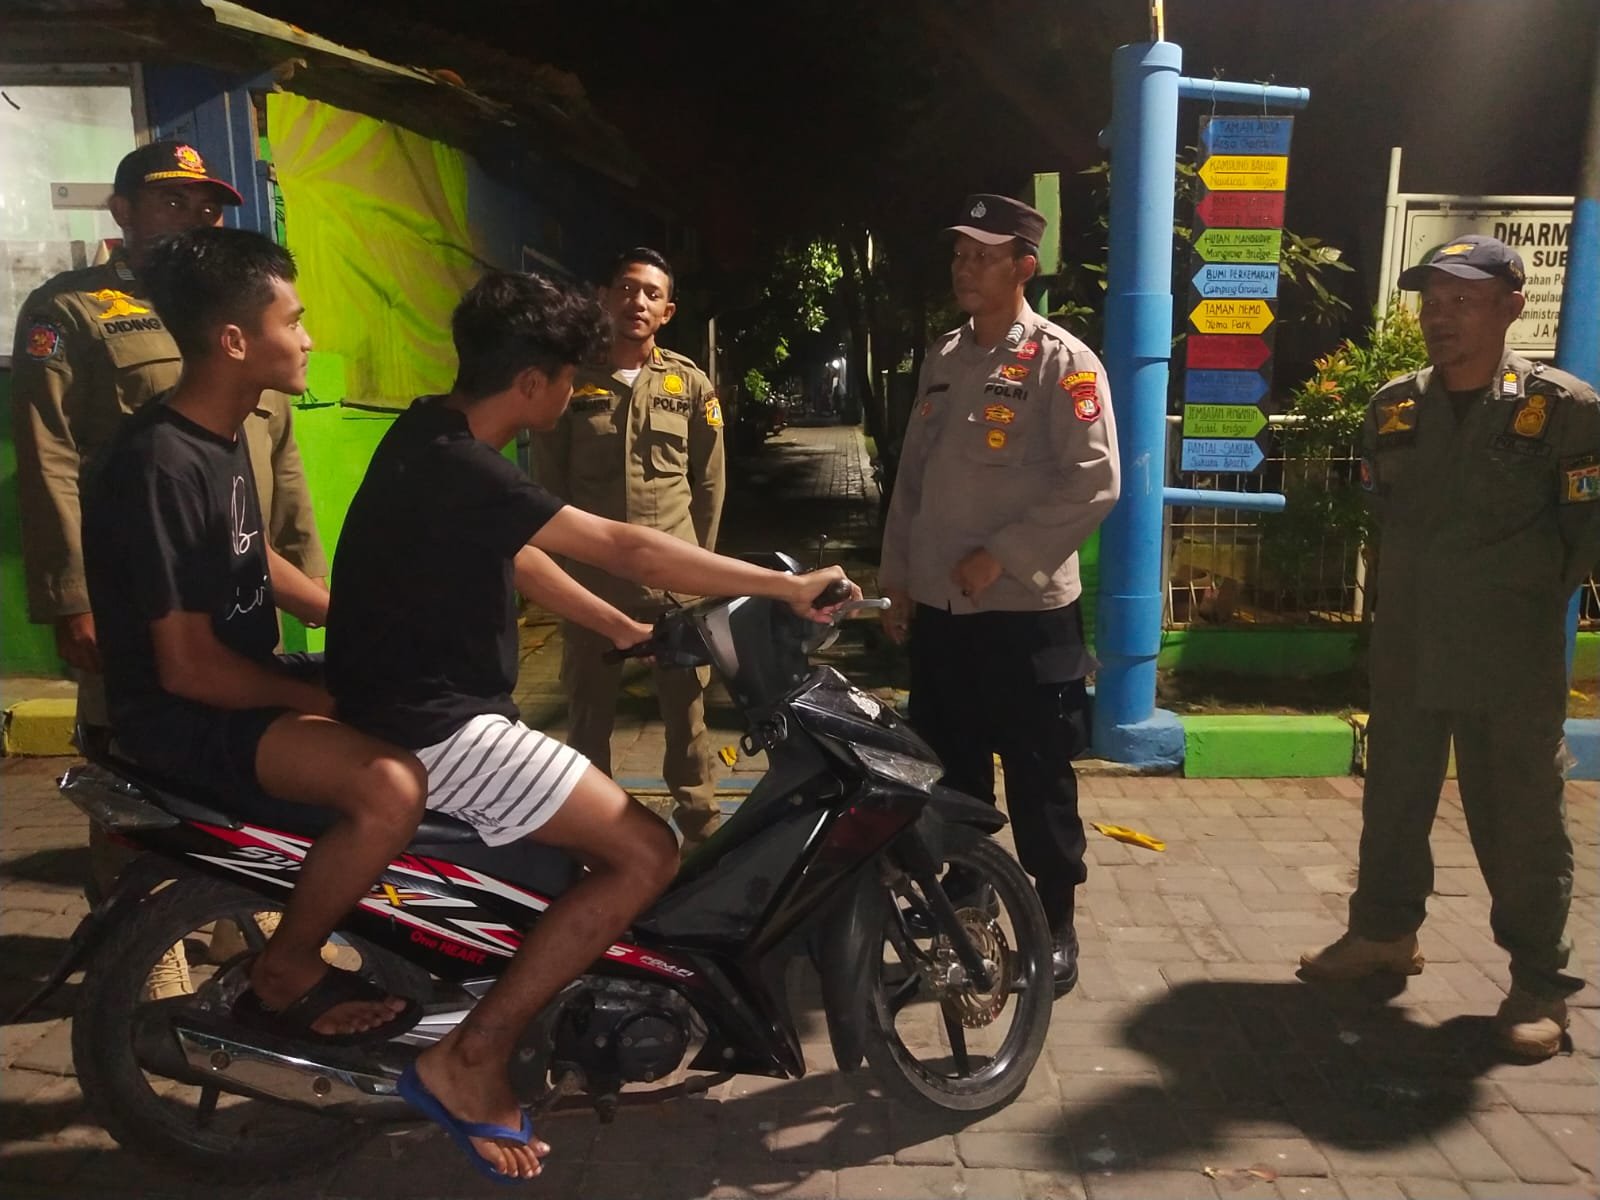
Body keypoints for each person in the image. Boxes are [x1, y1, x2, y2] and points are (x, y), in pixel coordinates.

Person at [326, 269, 852, 1181]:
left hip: (409, 702)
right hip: (438, 726)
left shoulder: (430, 433)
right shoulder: (464, 463)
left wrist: (619, 627)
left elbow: (519, 551)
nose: (574, 393)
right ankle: (472, 1055)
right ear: (532, 382)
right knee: (645, 852)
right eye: (568, 377)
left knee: (581, 847)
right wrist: (784, 585)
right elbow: (625, 545)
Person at [81, 227, 426, 1041]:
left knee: (422, 704)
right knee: (392, 787)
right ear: (235, 340)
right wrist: (321, 698)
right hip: (183, 718)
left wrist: (351, 617)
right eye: (293, 321)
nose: (307, 339)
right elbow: (188, 669)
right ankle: (289, 964)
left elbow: (250, 550)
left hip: (237, 681)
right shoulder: (160, 464)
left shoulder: (225, 427)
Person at [10, 142, 327, 983]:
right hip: (141, 590)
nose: (196, 216)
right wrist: (72, 595)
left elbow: (278, 453)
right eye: (171, 201)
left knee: (234, 760)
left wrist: (310, 575)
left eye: (207, 203)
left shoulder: (241, 301)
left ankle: (235, 919)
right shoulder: (73, 311)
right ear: (122, 211)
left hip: (238, 579)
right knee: (137, 770)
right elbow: (48, 457)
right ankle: (143, 949)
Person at [1301, 235, 1600, 1060]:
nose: (1442, 317)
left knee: (1520, 819)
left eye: (1463, 301)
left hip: (1508, 654)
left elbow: (1587, 530)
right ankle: (1383, 932)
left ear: (1511, 307)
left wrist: (1515, 593)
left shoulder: (1565, 410)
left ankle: (1540, 981)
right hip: (1408, 644)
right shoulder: (1394, 407)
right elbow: (1387, 515)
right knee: (1393, 799)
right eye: (1433, 302)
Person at [879, 194, 1121, 997]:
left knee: (1039, 775)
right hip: (944, 613)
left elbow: (1096, 481)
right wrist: (899, 578)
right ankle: (967, 896)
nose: (965, 268)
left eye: (983, 256)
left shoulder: (1063, 361)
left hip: (1025, 617)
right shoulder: (944, 356)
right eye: (960, 254)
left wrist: (1004, 556)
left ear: (1025, 266)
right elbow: (913, 481)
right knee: (950, 771)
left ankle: (1054, 923)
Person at [531, 247, 727, 854]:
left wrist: (696, 571)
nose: (636, 301)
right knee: (588, 720)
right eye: (625, 288)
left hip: (674, 594)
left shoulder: (690, 385)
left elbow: (709, 486)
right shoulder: (571, 382)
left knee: (688, 723)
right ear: (603, 297)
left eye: (651, 294)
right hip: (594, 590)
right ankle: (594, 841)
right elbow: (548, 488)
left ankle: (701, 835)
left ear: (667, 311)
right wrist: (563, 575)